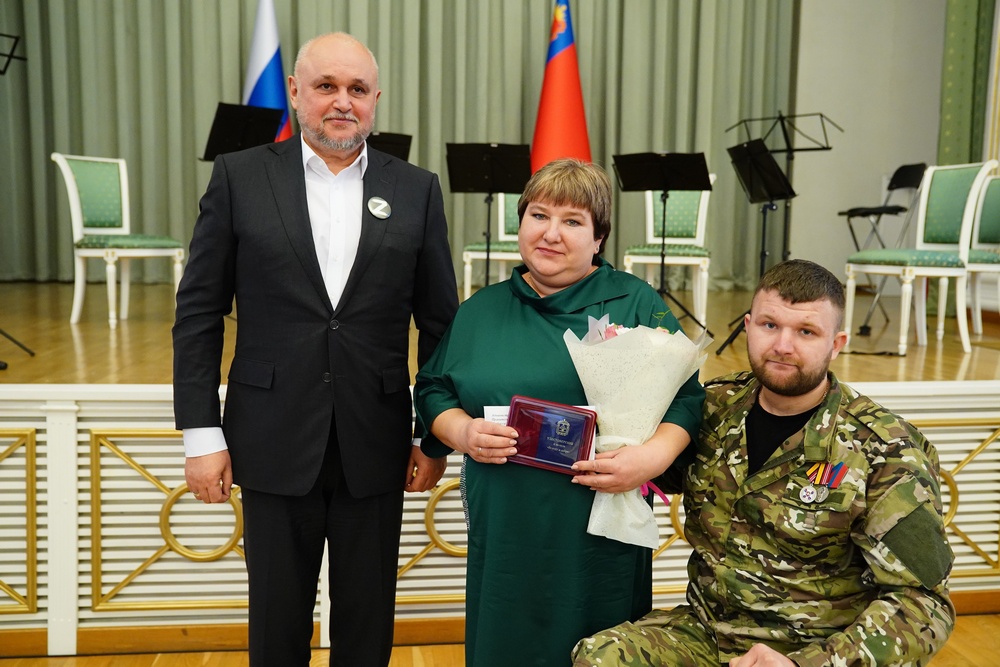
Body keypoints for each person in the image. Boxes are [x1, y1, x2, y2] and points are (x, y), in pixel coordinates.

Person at [172, 32, 458, 666]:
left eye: (357, 89)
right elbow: (197, 313)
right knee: (276, 628)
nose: (342, 101)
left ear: (376, 99)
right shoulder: (239, 176)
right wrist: (201, 434)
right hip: (270, 437)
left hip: (377, 444)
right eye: (326, 86)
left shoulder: (417, 189)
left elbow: (441, 324)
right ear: (296, 92)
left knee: (367, 629)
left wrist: (433, 433)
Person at [573, 259, 955, 666]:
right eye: (770, 325)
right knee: (601, 658)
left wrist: (805, 664)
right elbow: (647, 467)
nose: (783, 346)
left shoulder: (884, 449)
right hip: (706, 634)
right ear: (748, 326)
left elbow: (925, 605)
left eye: (806, 331)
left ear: (836, 344)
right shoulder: (714, 408)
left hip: (816, 649)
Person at [413, 158, 705, 667]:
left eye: (572, 221)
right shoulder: (481, 309)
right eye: (539, 216)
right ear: (521, 223)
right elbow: (434, 386)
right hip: (507, 517)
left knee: (601, 644)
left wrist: (652, 459)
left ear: (598, 238)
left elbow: (687, 396)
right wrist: (461, 432)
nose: (551, 234)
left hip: (598, 519)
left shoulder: (634, 302)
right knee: (506, 637)